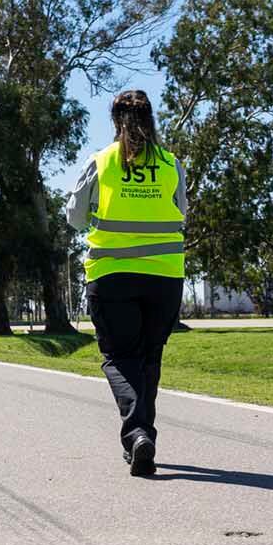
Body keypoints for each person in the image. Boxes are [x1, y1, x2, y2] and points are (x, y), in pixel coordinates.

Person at [66, 90, 189, 476]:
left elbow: (74, 216)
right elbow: (180, 210)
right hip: (165, 276)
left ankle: (137, 434)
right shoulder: (171, 164)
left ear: (116, 120)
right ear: (150, 118)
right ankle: (142, 436)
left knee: (120, 359)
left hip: (112, 274)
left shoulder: (101, 162)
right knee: (149, 358)